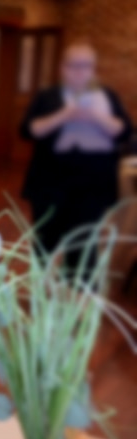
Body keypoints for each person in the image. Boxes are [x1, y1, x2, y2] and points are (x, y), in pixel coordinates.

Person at [20, 42, 132, 274]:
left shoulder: (107, 96)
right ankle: (41, 296)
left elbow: (125, 132)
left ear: (93, 69)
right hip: (50, 182)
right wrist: (65, 115)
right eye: (73, 65)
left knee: (83, 246)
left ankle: (76, 300)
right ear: (62, 67)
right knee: (45, 241)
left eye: (85, 65)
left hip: (94, 185)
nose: (79, 71)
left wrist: (94, 117)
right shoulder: (48, 96)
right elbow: (27, 131)